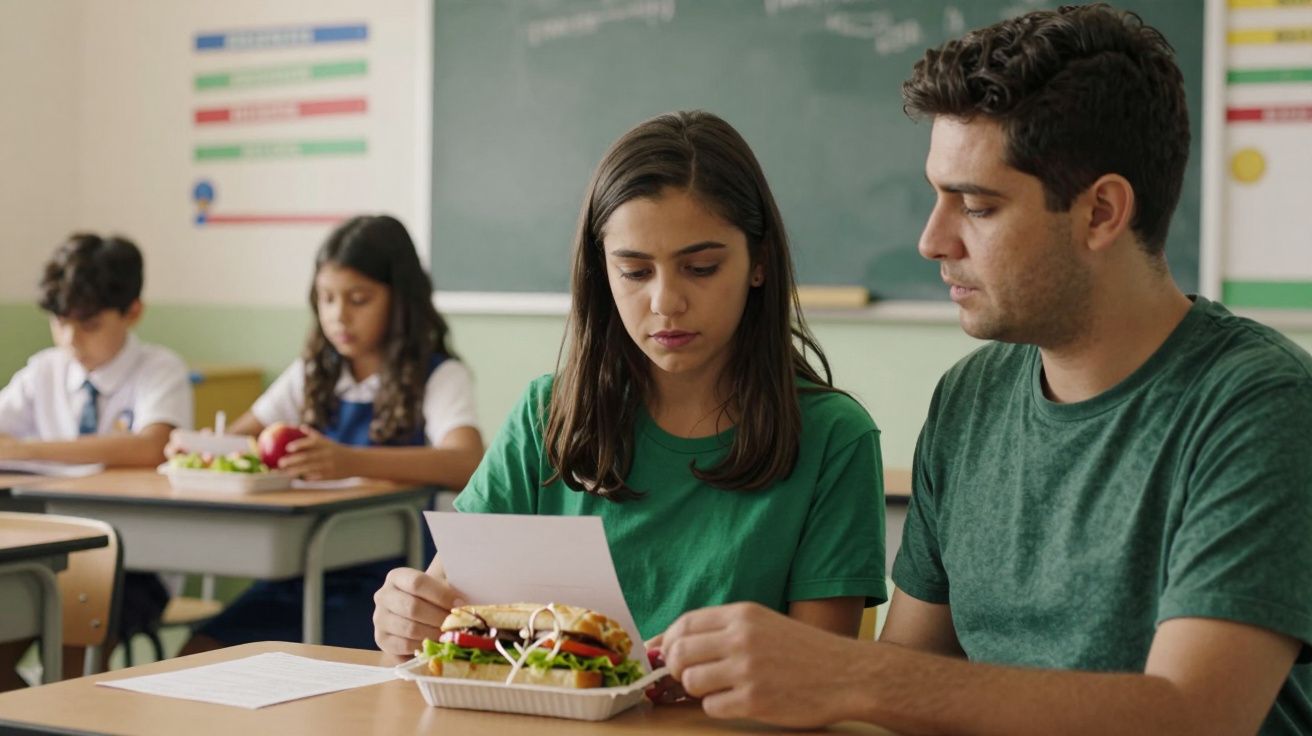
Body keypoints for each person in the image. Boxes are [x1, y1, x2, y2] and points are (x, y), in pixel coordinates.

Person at [659, 5, 1312, 734]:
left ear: (1101, 213)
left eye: (975, 205)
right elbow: (897, 705)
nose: (932, 240)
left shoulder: (1260, 406)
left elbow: (1194, 716)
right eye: (937, 197)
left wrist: (848, 672)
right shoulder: (970, 398)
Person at [372, 111, 886, 658]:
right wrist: (408, 619)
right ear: (603, 273)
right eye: (636, 272)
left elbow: (817, 681)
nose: (666, 302)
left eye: (703, 267)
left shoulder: (834, 438)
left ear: (759, 263)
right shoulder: (547, 412)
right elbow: (443, 620)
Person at [179, 214, 485, 653]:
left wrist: (349, 460)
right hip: (300, 572)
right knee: (198, 651)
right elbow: (243, 438)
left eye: (359, 299)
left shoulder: (438, 376)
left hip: (386, 589)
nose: (339, 315)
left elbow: (466, 461)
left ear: (399, 301)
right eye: (326, 299)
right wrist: (196, 447)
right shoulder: (312, 373)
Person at [0, 233, 192, 689]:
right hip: (44, 558)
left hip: (135, 564)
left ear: (132, 312)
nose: (70, 339)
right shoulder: (43, 371)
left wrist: (27, 450)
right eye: (60, 322)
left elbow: (152, 446)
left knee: (70, 669)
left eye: (89, 325)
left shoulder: (158, 369)